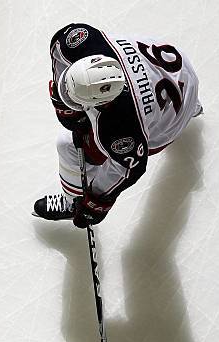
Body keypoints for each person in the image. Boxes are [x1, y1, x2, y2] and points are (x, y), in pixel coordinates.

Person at [33, 23, 203, 228]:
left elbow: (130, 167)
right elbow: (59, 48)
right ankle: (193, 106)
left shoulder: (121, 126)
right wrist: (65, 103)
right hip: (178, 68)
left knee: (67, 144)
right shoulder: (79, 41)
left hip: (173, 114)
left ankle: (71, 202)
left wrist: (94, 203)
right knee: (87, 139)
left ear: (104, 103)